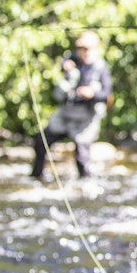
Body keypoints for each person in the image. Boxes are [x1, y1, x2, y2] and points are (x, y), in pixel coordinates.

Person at [31, 31, 112, 181]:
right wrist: (65, 66)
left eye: (87, 48)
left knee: (82, 155)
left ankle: (85, 184)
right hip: (66, 113)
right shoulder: (73, 59)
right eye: (81, 48)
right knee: (41, 141)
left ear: (96, 48)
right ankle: (37, 176)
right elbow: (64, 63)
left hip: (86, 117)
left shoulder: (101, 68)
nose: (84, 52)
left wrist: (92, 94)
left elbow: (107, 94)